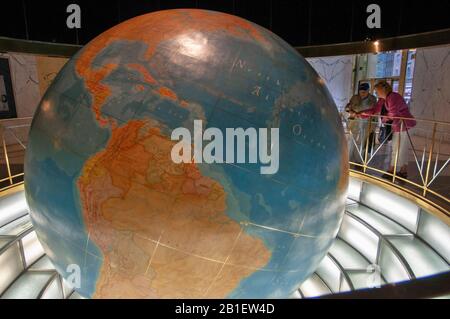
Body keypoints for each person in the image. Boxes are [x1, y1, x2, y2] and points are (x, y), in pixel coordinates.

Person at [358, 81, 416, 179]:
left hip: (405, 125)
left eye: (377, 90)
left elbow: (393, 113)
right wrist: (362, 113)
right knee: (400, 148)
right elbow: (374, 110)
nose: (376, 93)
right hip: (399, 125)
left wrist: (384, 119)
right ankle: (403, 171)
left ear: (383, 89)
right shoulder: (383, 100)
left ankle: (391, 170)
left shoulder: (393, 97)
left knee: (399, 148)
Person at [345, 82, 377, 163]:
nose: (362, 93)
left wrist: (373, 125)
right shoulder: (354, 97)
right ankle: (348, 159)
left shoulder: (373, 99)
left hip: (366, 122)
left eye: (364, 92)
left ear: (368, 91)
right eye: (360, 91)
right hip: (354, 122)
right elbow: (348, 107)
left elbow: (374, 111)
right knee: (351, 140)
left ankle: (359, 161)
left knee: (362, 141)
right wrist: (351, 111)